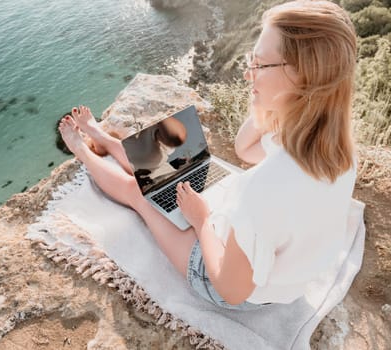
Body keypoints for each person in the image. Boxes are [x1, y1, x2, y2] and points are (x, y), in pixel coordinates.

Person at [58, 0, 358, 310]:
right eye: (250, 60)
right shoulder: (336, 149)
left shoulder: (266, 189)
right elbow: (245, 149)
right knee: (167, 165)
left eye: (259, 64)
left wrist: (201, 221)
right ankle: (103, 138)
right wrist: (268, 99)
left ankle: (83, 150)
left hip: (222, 278)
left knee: (141, 191)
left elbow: (232, 289)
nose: (246, 74)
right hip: (273, 270)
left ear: (304, 78)